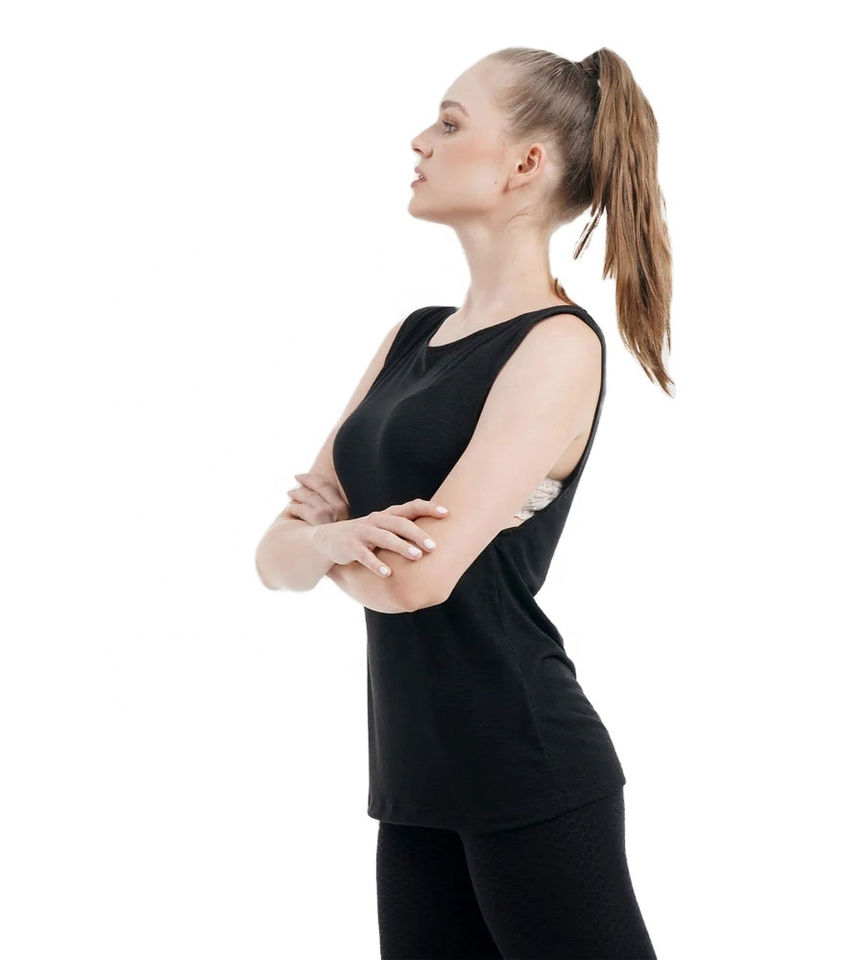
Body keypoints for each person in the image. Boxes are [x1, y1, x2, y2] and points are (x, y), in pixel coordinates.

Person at [256, 45, 672, 959]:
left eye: (450, 124)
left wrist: (333, 542)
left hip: (526, 768)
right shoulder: (411, 337)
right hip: (414, 782)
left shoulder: (557, 345)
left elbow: (419, 583)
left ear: (526, 164)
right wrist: (333, 545)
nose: (420, 141)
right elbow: (273, 558)